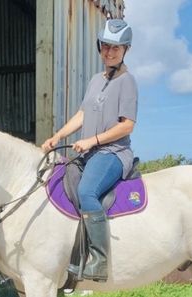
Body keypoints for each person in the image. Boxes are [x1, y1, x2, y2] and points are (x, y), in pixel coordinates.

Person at [41, 18, 138, 282]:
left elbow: (126, 126)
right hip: (90, 153)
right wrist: (57, 136)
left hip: (113, 153)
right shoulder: (96, 79)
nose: (109, 52)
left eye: (116, 48)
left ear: (125, 50)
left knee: (86, 191)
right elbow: (83, 114)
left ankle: (99, 260)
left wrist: (92, 141)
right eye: (105, 46)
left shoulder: (127, 81)